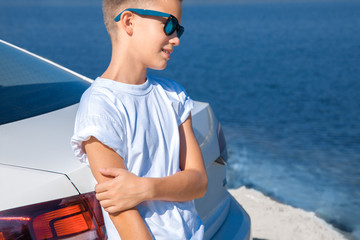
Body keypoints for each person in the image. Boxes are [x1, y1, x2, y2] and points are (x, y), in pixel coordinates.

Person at [70, 0, 208, 239]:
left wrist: (144, 188)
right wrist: (166, 186)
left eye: (179, 29)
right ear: (129, 22)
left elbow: (198, 182)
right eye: (169, 25)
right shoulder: (100, 107)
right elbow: (121, 210)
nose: (176, 39)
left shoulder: (173, 95)